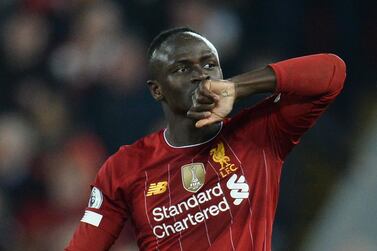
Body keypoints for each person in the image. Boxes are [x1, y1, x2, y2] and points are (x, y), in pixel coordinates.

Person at [65, 27, 346, 251]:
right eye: (182, 69)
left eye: (210, 64)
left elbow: (332, 72)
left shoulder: (259, 135)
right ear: (157, 90)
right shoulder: (124, 168)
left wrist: (239, 85)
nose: (200, 75)